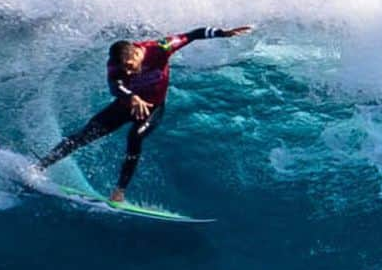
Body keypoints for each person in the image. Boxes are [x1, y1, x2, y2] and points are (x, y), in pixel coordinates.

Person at [37, 25, 253, 202]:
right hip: (124, 106)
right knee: (83, 136)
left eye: (131, 66)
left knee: (135, 137)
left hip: (153, 108)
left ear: (137, 53)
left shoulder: (160, 48)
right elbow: (115, 87)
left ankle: (119, 192)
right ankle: (38, 168)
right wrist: (131, 96)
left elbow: (192, 35)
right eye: (125, 69)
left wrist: (223, 33)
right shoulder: (115, 64)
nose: (129, 72)